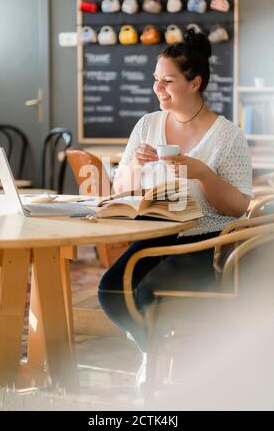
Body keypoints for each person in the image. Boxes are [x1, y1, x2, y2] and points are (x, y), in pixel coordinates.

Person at [98, 29, 252, 361]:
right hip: (154, 234)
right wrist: (136, 168)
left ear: (194, 83)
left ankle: (165, 362)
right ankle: (154, 353)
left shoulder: (227, 135)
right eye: (156, 79)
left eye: (167, 81)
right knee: (110, 290)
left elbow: (240, 206)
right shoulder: (147, 125)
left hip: (204, 243)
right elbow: (118, 189)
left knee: (143, 293)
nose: (157, 88)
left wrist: (203, 174)